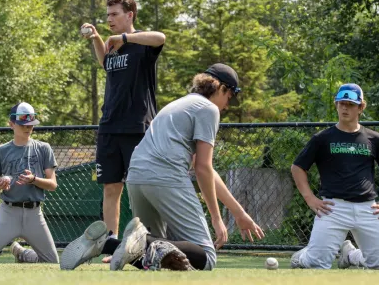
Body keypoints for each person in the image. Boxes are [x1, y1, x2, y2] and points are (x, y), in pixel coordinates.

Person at [60, 64, 265, 271]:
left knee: (156, 259)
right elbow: (203, 167)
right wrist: (216, 217)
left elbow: (206, 170)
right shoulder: (208, 109)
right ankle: (135, 241)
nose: (227, 105)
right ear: (221, 89)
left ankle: (106, 244)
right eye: (229, 97)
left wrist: (238, 212)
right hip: (165, 176)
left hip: (136, 176)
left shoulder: (179, 105)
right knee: (207, 258)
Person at [80, 0, 165, 245]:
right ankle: (112, 242)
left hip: (137, 127)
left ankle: (150, 241)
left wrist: (124, 37)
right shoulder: (113, 48)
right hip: (109, 126)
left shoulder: (141, 45)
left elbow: (161, 37)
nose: (110, 19)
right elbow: (106, 63)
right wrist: (97, 37)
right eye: (107, 15)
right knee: (110, 187)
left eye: (114, 14)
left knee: (142, 187)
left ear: (130, 15)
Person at [290, 84, 379, 270]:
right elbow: (298, 167)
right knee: (317, 264)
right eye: (341, 103)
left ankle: (352, 255)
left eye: (350, 104)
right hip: (332, 209)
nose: (345, 108)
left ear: (361, 107)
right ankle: (301, 258)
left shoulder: (373, 138)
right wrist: (310, 199)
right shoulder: (322, 138)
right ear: (336, 105)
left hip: (368, 209)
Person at [0, 102, 59, 264]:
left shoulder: (43, 148)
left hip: (34, 213)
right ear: (11, 124)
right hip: (8, 212)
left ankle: (23, 254)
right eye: (23, 124)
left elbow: (53, 184)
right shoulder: (0, 151)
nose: (28, 128)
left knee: (52, 262)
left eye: (31, 124)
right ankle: (21, 253)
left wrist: (34, 179)